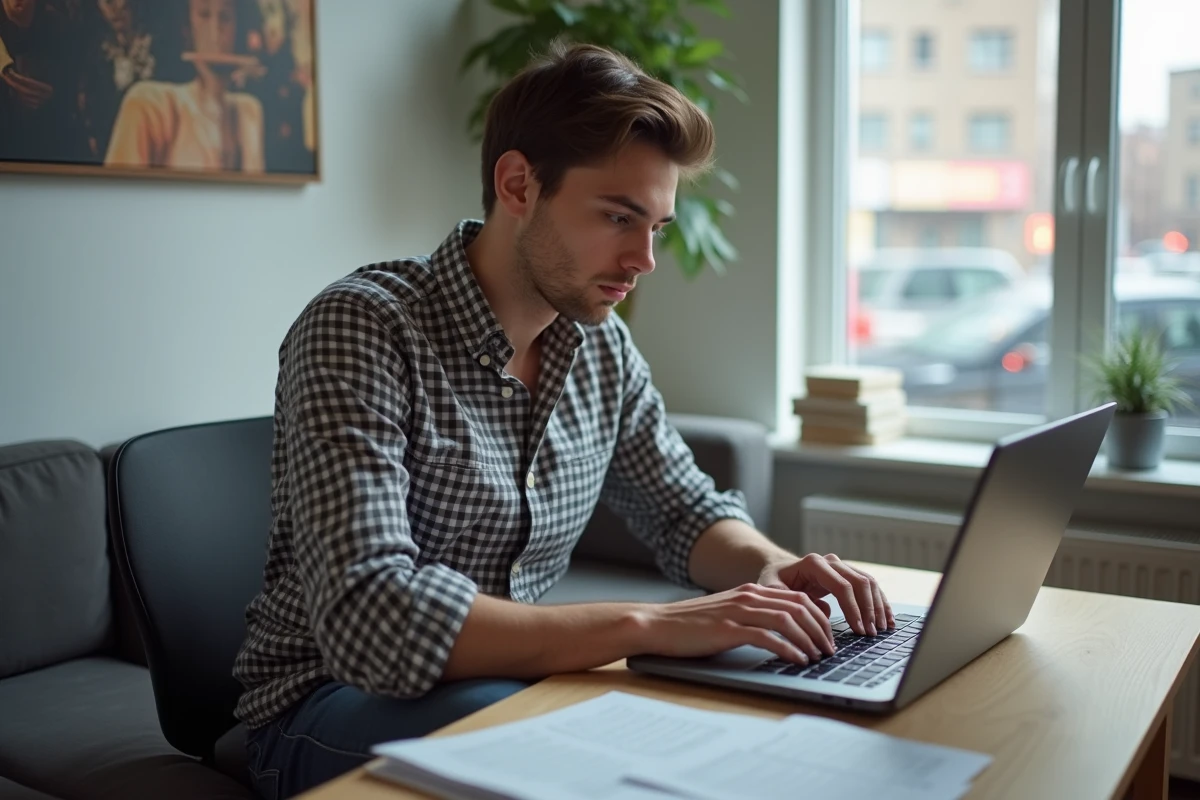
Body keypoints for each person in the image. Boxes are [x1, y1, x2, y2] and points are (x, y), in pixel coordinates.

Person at [233, 40, 895, 799]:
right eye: (618, 216)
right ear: (518, 184)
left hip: (501, 683)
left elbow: (683, 508)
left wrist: (769, 567)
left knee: (739, 737)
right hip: (323, 704)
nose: (645, 258)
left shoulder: (600, 344)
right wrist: (648, 626)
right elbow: (374, 618)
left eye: (658, 226)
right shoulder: (362, 328)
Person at [104, 0, 263, 172]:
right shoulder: (148, 104)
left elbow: (254, 192)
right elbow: (118, 191)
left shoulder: (248, 111)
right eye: (204, 15)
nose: (215, 30)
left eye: (225, 17)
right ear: (185, 26)